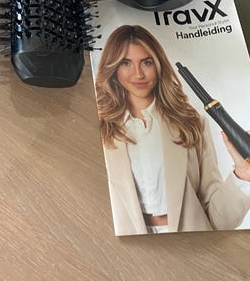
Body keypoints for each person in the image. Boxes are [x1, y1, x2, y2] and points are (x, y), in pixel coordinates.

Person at [95, 24, 250, 235]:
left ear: (159, 65)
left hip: (192, 240)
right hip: (127, 244)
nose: (138, 74)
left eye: (146, 62)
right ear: (113, 69)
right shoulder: (101, 128)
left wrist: (243, 174)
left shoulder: (192, 124)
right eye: (125, 63)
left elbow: (218, 220)